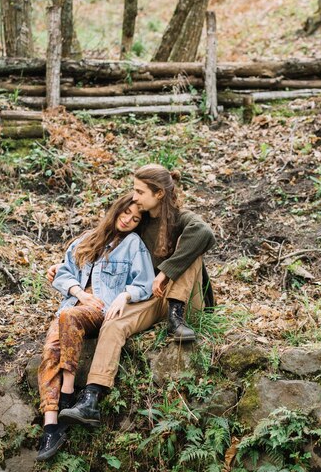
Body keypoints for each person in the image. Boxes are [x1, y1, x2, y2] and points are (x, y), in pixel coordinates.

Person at [58, 164, 216, 429]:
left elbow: (206, 234)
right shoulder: (141, 224)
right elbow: (108, 236)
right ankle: (91, 398)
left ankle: (176, 318)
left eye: (140, 191)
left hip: (188, 301)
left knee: (193, 247)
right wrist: (65, 267)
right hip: (154, 298)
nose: (134, 196)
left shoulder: (182, 218)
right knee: (114, 322)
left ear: (159, 195)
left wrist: (165, 272)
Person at [37, 193, 155, 461]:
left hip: (101, 308)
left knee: (68, 317)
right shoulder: (88, 238)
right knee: (50, 350)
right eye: (126, 213)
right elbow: (64, 272)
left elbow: (144, 283)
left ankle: (68, 394)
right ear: (116, 211)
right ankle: (51, 425)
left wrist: (124, 297)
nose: (128, 220)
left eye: (136, 219)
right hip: (76, 304)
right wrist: (80, 292)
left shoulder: (133, 245)